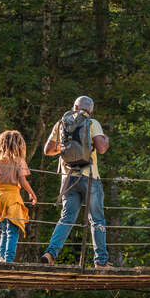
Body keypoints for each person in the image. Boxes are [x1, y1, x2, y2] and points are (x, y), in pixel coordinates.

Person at [39, 95, 112, 267]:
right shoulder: (92, 123)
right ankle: (101, 262)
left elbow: (47, 150)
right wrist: (106, 140)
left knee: (66, 218)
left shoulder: (61, 123)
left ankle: (50, 254)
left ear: (74, 107)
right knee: (97, 219)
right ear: (91, 110)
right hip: (90, 178)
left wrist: (65, 147)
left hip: (68, 179)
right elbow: (101, 149)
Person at [0, 130, 37, 263]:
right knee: (13, 229)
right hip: (12, 197)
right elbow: (23, 181)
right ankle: (9, 259)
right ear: (20, 146)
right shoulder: (18, 161)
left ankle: (2, 257)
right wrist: (32, 193)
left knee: (4, 230)